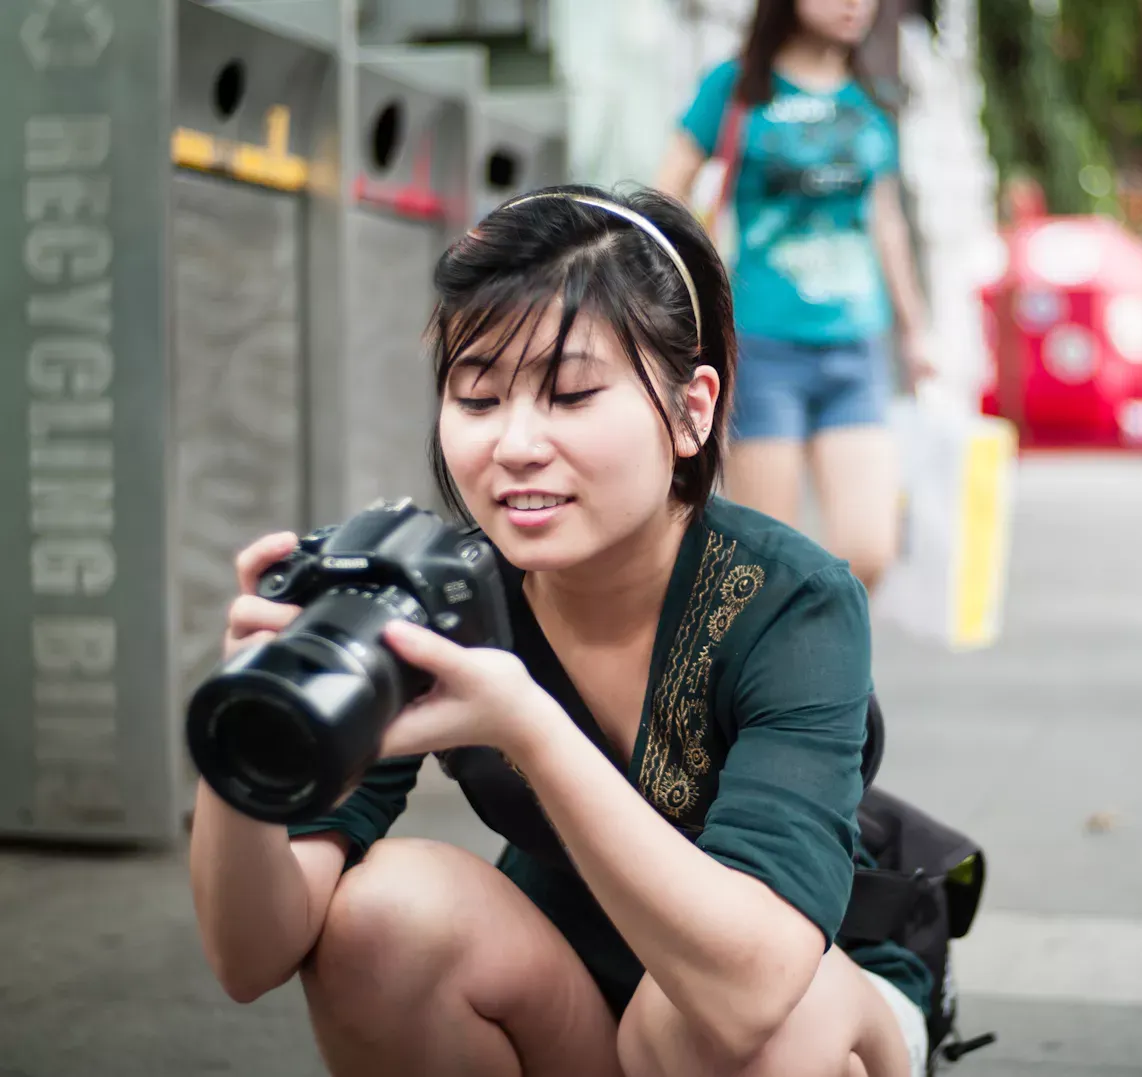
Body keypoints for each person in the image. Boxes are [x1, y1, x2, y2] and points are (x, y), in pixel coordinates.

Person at [187, 186, 933, 1077]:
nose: (514, 444)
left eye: (571, 394)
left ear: (694, 410)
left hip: (802, 992)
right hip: (571, 984)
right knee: (380, 917)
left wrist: (528, 726)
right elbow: (251, 958)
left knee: (723, 1028)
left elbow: (749, 989)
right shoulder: (437, 595)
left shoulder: (792, 599)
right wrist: (245, 722)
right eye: (478, 397)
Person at [654, 0, 935, 595]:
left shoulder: (872, 98)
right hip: (762, 346)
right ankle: (784, 684)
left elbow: (885, 223)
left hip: (857, 347)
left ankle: (825, 668)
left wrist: (915, 331)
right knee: (769, 567)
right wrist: (688, 291)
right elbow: (666, 191)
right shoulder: (734, 88)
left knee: (869, 549)